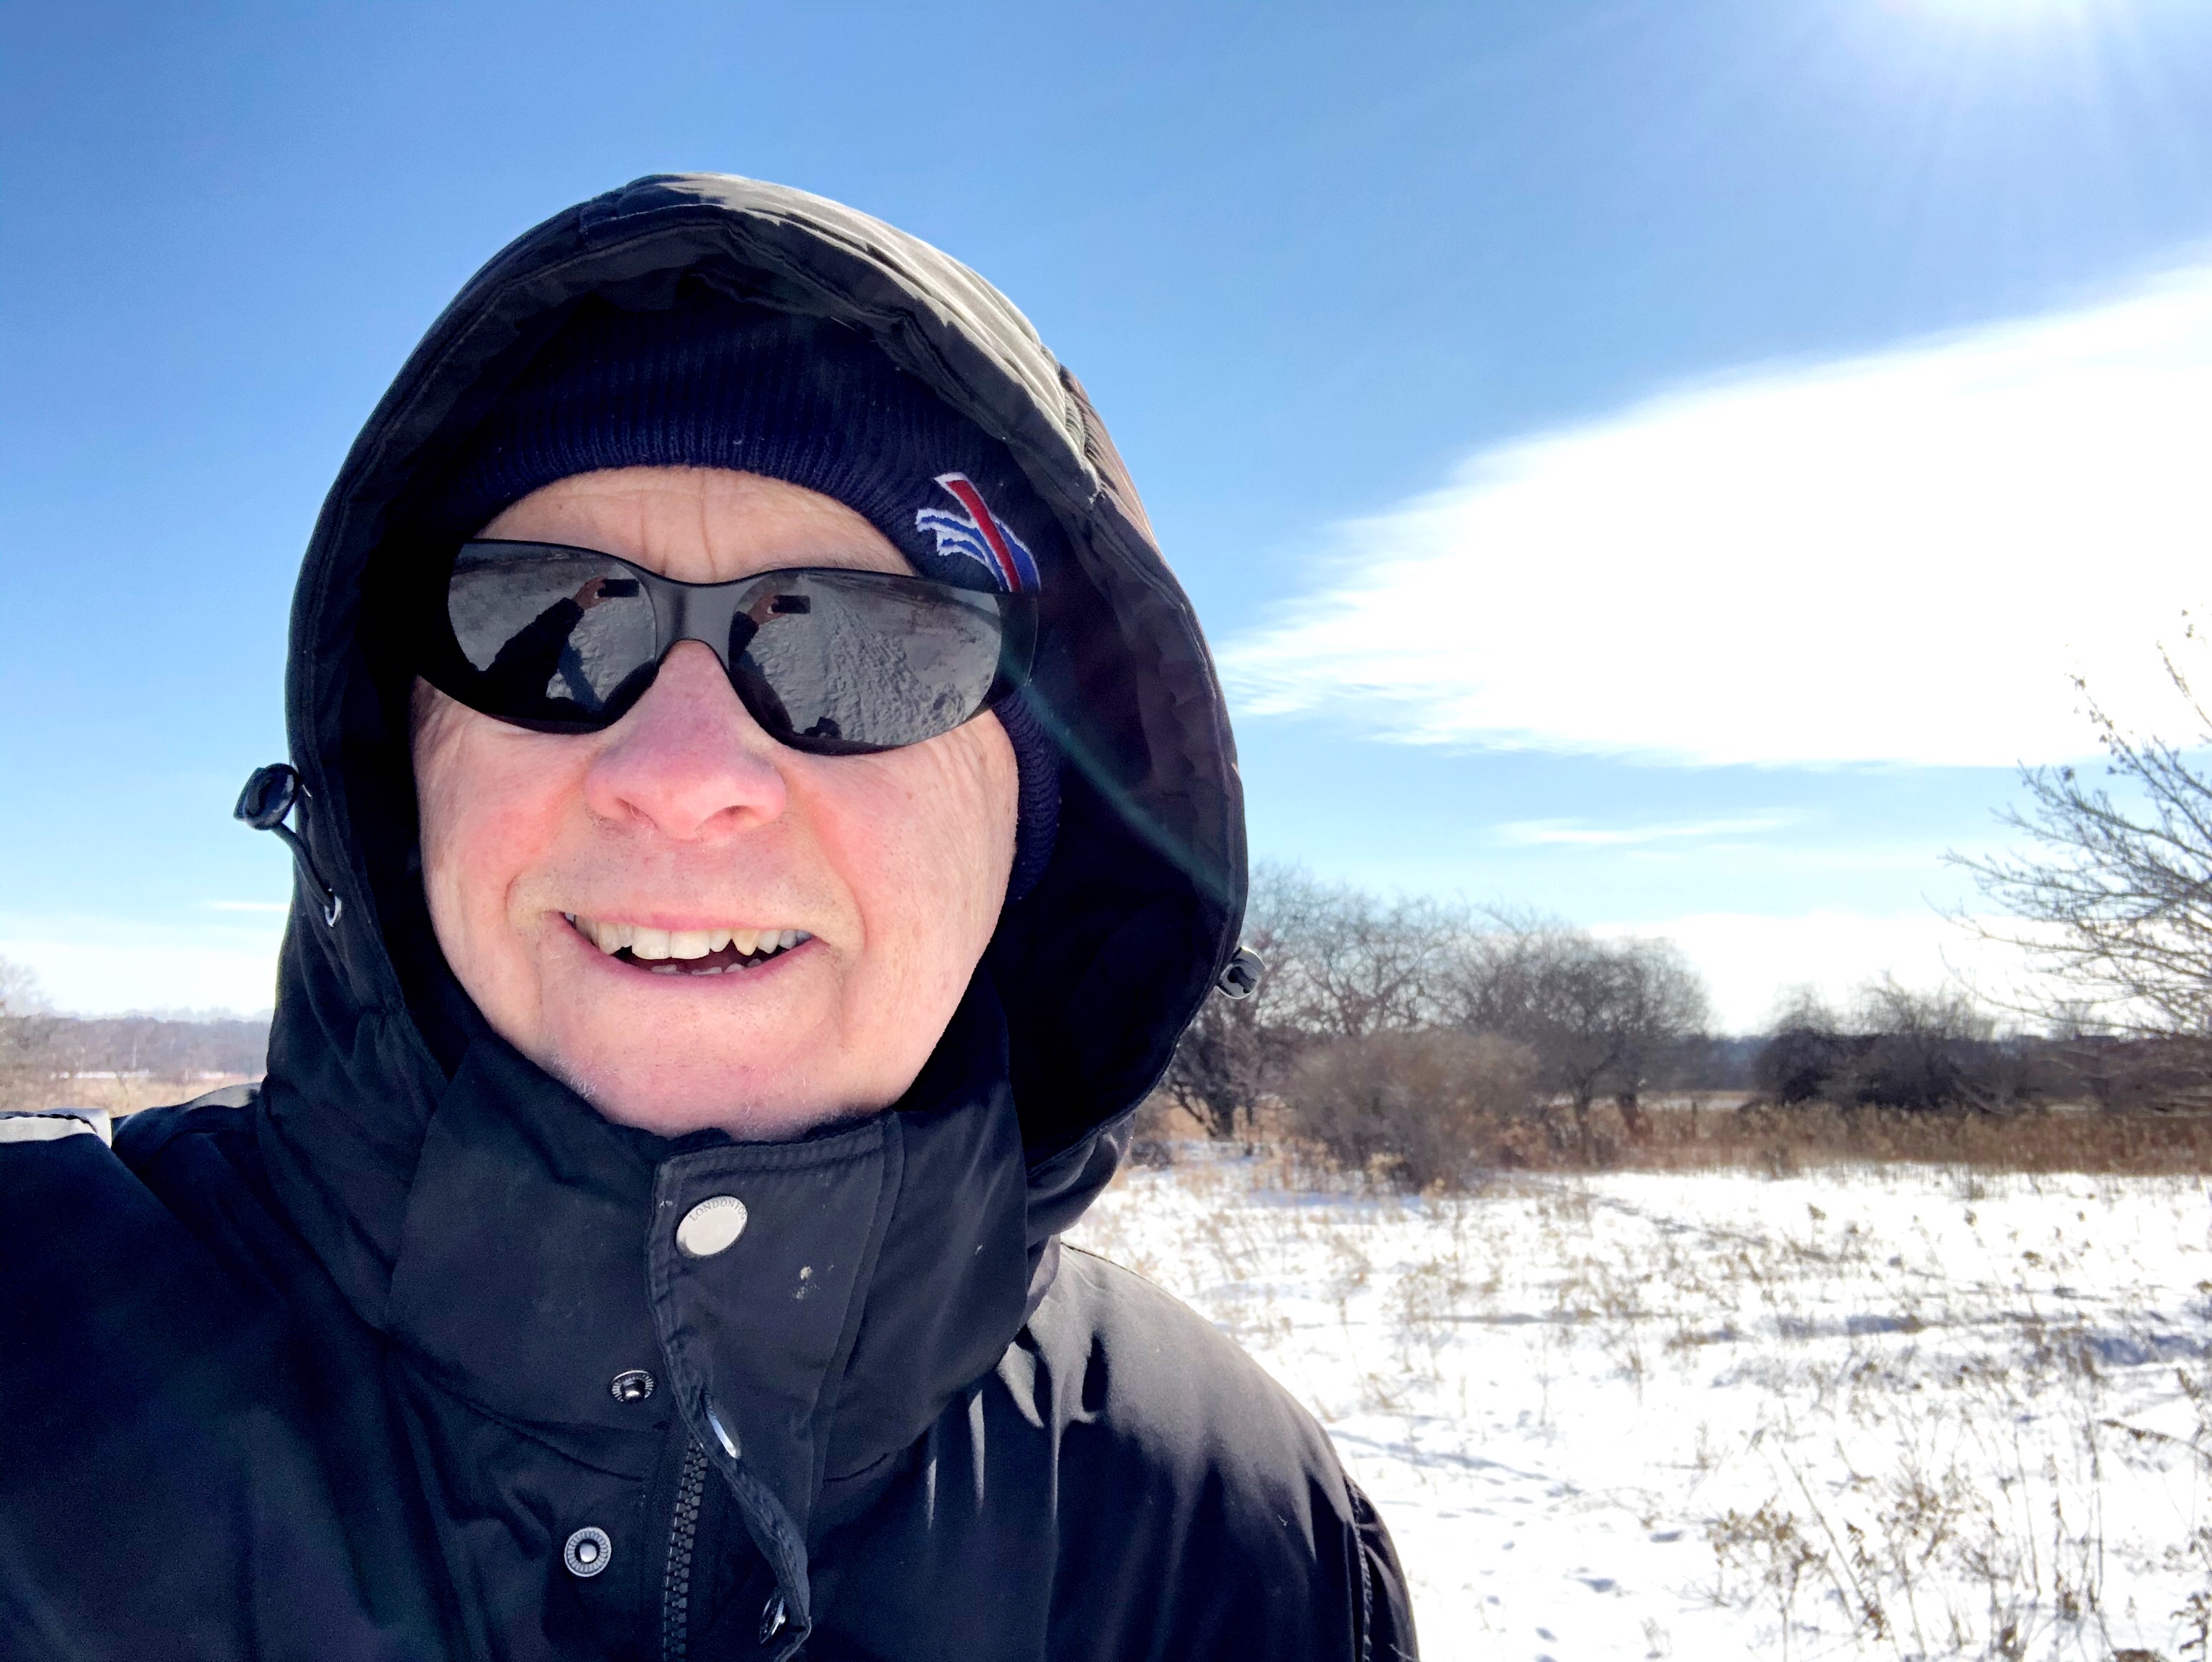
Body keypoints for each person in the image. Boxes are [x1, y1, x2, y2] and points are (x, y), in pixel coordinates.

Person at [0, 174, 1415, 1661]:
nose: (679, 777)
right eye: (542, 625)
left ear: (1035, 823)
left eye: (865, 648)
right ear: (401, 765)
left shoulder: (1231, 1542)